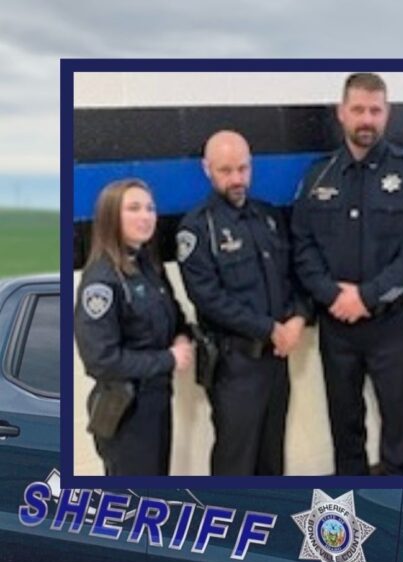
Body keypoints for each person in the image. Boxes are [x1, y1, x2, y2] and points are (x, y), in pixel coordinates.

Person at [291, 72, 403, 475]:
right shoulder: (318, 176)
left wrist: (367, 296)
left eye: (375, 110)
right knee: (345, 425)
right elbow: (301, 245)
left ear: (386, 114)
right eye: (358, 109)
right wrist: (333, 296)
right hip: (336, 323)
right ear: (342, 113)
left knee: (401, 427)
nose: (366, 119)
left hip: (395, 323)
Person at [177, 130, 309, 476]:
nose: (236, 179)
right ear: (208, 169)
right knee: (235, 462)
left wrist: (297, 318)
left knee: (272, 459)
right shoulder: (197, 228)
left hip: (275, 360)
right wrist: (269, 328)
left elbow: (291, 276)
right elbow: (207, 297)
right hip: (235, 365)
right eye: (225, 171)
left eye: (242, 169)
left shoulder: (267, 217)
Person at [74, 178, 192, 475]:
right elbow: (101, 360)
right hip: (126, 409)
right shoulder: (102, 280)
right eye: (134, 208)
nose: (146, 216)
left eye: (150, 208)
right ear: (111, 216)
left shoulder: (148, 266)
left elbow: (174, 316)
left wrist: (181, 336)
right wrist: (169, 359)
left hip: (156, 400)